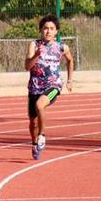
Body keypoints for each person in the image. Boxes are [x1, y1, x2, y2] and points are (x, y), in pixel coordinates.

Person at [25, 14, 75, 160]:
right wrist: (36, 55)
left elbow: (70, 61)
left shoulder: (62, 47)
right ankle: (34, 143)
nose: (48, 31)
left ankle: (42, 136)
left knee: (40, 105)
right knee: (32, 121)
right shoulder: (34, 45)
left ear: (56, 31)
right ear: (41, 30)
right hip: (34, 87)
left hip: (53, 85)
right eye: (45, 28)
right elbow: (27, 66)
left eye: (52, 29)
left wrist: (70, 80)